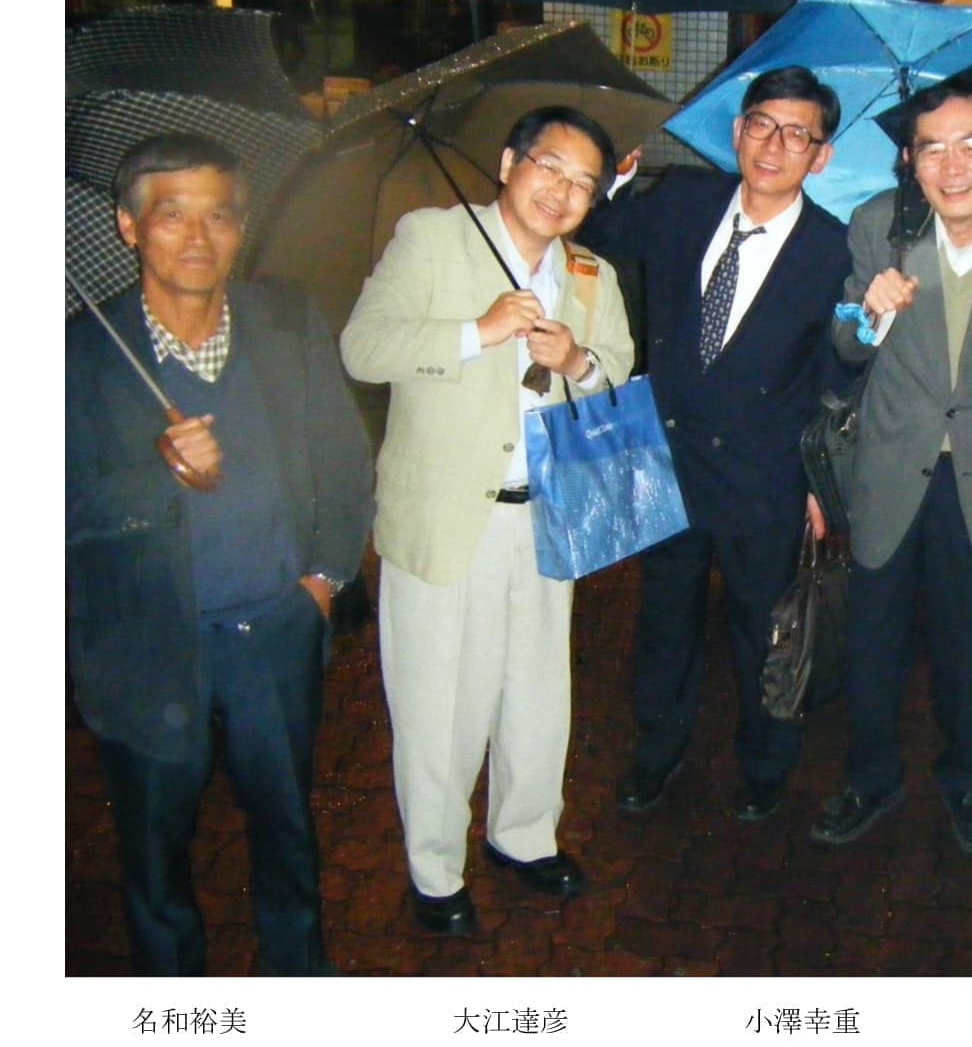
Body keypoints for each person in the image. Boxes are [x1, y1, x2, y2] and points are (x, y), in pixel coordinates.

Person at [65, 133, 373, 975]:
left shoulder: (286, 321)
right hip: (146, 651)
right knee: (155, 857)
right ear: (130, 226)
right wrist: (156, 468)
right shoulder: (78, 354)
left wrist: (321, 580)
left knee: (287, 836)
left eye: (220, 215)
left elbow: (344, 460)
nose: (198, 237)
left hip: (272, 633)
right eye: (172, 215)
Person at [340, 106, 635, 935]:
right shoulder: (433, 237)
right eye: (549, 166)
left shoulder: (590, 274)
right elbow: (363, 347)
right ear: (509, 162)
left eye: (583, 182)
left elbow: (616, 372)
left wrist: (576, 360)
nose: (562, 191)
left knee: (538, 692)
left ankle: (523, 835)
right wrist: (481, 330)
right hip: (445, 516)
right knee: (438, 702)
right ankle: (435, 870)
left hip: (547, 515)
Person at [808, 78, 972, 855]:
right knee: (873, 644)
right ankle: (870, 776)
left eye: (971, 145)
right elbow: (843, 337)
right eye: (931, 148)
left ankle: (964, 781)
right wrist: (869, 311)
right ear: (909, 159)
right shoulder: (878, 225)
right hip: (892, 468)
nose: (951, 165)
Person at [576, 65, 852, 824]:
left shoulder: (834, 251)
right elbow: (601, 234)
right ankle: (656, 749)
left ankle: (765, 762)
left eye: (796, 134)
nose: (774, 145)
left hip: (764, 476)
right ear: (737, 131)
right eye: (761, 124)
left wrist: (820, 484)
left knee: (763, 628)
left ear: (820, 156)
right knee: (664, 617)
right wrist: (611, 180)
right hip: (666, 459)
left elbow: (834, 377)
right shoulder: (683, 201)